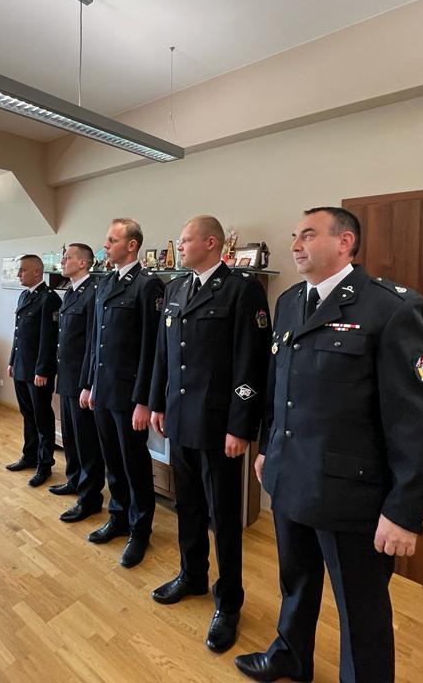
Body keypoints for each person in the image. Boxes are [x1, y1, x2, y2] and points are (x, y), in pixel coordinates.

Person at [234, 207, 423, 683]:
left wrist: (404, 511)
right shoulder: (290, 301)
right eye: (295, 236)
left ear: (345, 242)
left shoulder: (390, 308)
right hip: (290, 476)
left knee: (361, 610)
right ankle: (291, 656)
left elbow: (419, 418)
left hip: (351, 493)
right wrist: (267, 447)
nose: (295, 245)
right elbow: (279, 387)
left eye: (308, 235)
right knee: (295, 582)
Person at [149, 215, 272, 653]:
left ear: (211, 243)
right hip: (180, 418)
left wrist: (241, 425)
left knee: (224, 516)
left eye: (185, 240)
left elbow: (251, 362)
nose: (179, 246)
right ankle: (193, 574)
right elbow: (164, 353)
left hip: (219, 425)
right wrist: (158, 402)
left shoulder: (241, 290)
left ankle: (229, 601)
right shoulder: (177, 289)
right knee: (188, 506)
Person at [81, 218, 164, 568]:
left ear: (132, 245)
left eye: (112, 240)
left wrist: (144, 400)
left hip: (130, 395)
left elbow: (151, 347)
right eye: (106, 240)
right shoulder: (105, 283)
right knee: (112, 460)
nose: (105, 245)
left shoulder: (147, 285)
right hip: (104, 389)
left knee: (134, 464)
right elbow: (96, 340)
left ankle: (140, 529)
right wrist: (89, 383)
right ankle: (118, 517)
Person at [53, 243, 105, 522]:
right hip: (67, 376)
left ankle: (90, 497)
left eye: (67, 257)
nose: (63, 261)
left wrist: (88, 383)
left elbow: (92, 344)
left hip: (81, 379)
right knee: (71, 437)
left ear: (83, 263)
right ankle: (74, 480)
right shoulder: (71, 292)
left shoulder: (92, 293)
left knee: (86, 442)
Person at [5, 255, 62, 487]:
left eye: (22, 270)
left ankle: (45, 464)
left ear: (37, 272)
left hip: (38, 372)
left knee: (42, 417)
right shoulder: (24, 295)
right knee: (27, 414)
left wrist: (43, 370)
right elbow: (18, 332)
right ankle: (29, 456)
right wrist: (12, 360)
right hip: (21, 366)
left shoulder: (49, 299)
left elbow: (49, 339)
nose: (19, 274)